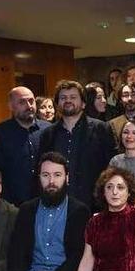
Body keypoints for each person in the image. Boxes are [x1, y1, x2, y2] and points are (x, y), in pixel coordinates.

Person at [38, 80, 117, 209]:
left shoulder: (101, 129)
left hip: (93, 203)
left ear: (84, 103)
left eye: (73, 97)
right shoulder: (48, 134)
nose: (68, 100)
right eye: (63, 98)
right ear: (57, 103)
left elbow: (111, 166)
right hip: (58, 203)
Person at [0, 87, 49, 206]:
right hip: (13, 204)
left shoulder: (48, 130)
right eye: (22, 102)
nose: (29, 106)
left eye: (31, 101)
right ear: (11, 106)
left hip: (46, 200)